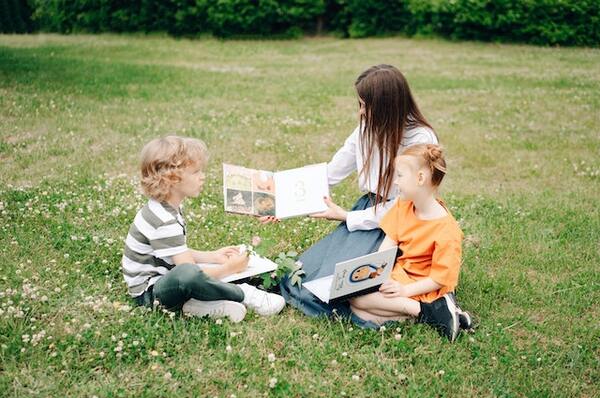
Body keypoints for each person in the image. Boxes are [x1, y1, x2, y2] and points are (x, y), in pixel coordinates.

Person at [270, 65, 439, 327]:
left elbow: (405, 205)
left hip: (405, 222)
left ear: (387, 106)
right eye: (359, 104)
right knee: (303, 276)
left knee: (345, 287)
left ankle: (417, 310)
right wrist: (280, 201)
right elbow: (329, 173)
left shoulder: (419, 138)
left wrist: (347, 216)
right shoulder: (365, 128)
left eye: (366, 105)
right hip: (369, 211)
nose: (361, 112)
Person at [122, 135, 285, 322]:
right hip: (149, 295)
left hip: (165, 279)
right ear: (172, 179)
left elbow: (174, 252)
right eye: (196, 172)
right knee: (190, 274)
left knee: (195, 270)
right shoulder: (163, 220)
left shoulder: (167, 207)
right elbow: (188, 271)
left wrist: (212, 256)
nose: (202, 176)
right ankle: (242, 293)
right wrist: (228, 268)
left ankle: (198, 306)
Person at [350, 144, 470, 341]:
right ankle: (436, 315)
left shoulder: (447, 230)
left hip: (424, 286)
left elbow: (439, 279)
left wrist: (405, 291)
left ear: (420, 178)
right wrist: (376, 274)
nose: (395, 182)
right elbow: (388, 244)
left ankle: (429, 310)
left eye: (400, 176)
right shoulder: (403, 205)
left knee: (360, 300)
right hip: (401, 275)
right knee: (359, 310)